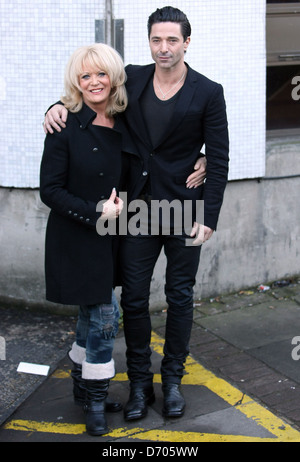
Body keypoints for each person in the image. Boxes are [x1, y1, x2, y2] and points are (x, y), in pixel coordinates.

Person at [43, 6, 229, 421]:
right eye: (156, 40)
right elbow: (93, 88)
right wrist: (55, 105)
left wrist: (209, 215)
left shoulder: (208, 91)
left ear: (186, 42)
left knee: (180, 297)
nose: (164, 48)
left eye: (172, 40)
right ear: (149, 42)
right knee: (135, 299)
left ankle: (174, 381)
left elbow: (220, 157)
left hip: (184, 208)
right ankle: (141, 385)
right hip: (137, 208)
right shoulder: (133, 76)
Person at [40, 43, 137, 436]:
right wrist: (95, 211)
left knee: (88, 315)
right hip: (76, 237)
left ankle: (83, 389)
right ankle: (96, 401)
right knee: (104, 316)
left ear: (113, 78)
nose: (94, 82)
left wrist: (202, 158)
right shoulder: (64, 123)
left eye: (101, 74)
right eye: (85, 76)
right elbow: (49, 190)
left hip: (112, 238)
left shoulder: (125, 120)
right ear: (75, 82)